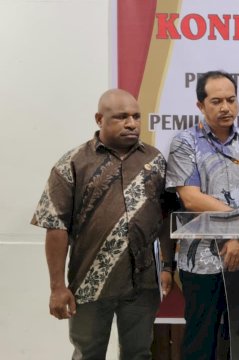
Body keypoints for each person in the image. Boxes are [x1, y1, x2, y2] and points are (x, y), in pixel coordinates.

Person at [31, 89, 173, 359]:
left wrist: (167, 265)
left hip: (143, 285)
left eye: (136, 117)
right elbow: (55, 226)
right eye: (121, 117)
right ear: (99, 119)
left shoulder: (154, 161)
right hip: (90, 283)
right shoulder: (73, 163)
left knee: (139, 353)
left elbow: (164, 218)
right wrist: (57, 287)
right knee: (88, 353)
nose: (131, 123)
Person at [163, 70, 239, 359]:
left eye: (231, 100)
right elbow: (191, 199)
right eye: (216, 101)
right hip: (201, 260)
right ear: (200, 105)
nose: (225, 108)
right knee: (200, 339)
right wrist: (238, 223)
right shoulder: (185, 142)